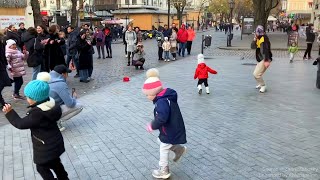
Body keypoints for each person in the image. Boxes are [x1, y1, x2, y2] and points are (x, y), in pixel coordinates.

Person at [2, 73, 69, 180]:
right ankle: (64, 178)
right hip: (56, 143)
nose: (27, 99)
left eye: (29, 97)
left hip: (45, 147)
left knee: (41, 168)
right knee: (56, 162)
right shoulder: (52, 105)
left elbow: (20, 124)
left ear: (35, 99)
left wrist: (10, 113)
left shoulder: (37, 114)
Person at [143, 68, 187, 179]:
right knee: (161, 141)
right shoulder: (165, 96)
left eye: (147, 95)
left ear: (153, 92)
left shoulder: (161, 102)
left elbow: (162, 118)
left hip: (170, 129)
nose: (147, 97)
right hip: (172, 128)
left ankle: (164, 170)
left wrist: (152, 125)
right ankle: (179, 149)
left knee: (163, 147)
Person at [47, 65, 83, 131]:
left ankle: (52, 121)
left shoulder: (46, 80)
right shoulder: (60, 84)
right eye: (67, 73)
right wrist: (74, 98)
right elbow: (70, 104)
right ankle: (55, 122)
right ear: (63, 74)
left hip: (45, 109)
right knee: (79, 106)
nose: (67, 76)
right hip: (52, 111)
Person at [254, 25, 272, 93]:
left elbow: (266, 50)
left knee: (256, 74)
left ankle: (263, 86)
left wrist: (266, 60)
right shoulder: (259, 38)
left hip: (265, 59)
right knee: (257, 74)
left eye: (256, 32)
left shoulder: (264, 39)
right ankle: (260, 83)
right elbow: (252, 46)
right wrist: (254, 40)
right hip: (260, 58)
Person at [0, 34, 12, 108]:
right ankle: (2, 102)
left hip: (1, 66)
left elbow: (2, 55)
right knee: (2, 83)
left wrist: (6, 64)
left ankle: (2, 102)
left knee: (4, 82)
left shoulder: (1, 43)